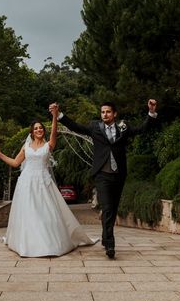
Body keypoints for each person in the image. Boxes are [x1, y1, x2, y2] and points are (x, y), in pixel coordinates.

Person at [51, 99, 158, 259]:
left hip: (119, 174)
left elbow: (141, 130)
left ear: (114, 114)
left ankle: (105, 236)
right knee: (107, 207)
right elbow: (76, 127)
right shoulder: (95, 127)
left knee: (113, 208)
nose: (105, 114)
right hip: (102, 174)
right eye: (102, 112)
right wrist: (59, 115)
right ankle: (110, 245)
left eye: (108, 112)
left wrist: (151, 112)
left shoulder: (123, 127)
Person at [0, 107, 97, 257]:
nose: (39, 130)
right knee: (28, 213)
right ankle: (26, 243)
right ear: (32, 132)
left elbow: (54, 132)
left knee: (46, 213)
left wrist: (55, 116)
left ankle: (48, 243)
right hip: (26, 183)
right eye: (36, 128)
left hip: (43, 183)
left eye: (41, 128)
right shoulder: (26, 146)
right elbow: (15, 163)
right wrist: (0, 154)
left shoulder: (49, 145)